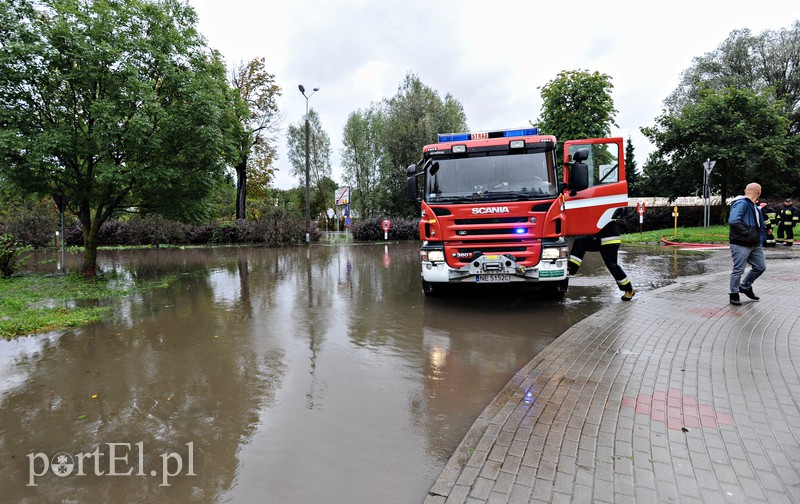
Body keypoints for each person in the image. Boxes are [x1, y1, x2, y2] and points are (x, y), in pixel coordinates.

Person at [568, 220, 635, 301]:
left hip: (609, 240)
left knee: (612, 266)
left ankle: (629, 289)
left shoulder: (600, 210)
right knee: (579, 243)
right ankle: (571, 269)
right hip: (600, 239)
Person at [728, 183, 766, 306]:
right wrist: (747, 233)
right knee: (738, 269)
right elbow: (734, 220)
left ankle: (745, 286)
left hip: (754, 243)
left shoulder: (753, 205)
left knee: (760, 267)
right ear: (759, 192)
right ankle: (734, 294)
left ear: (746, 190)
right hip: (741, 243)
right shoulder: (742, 203)